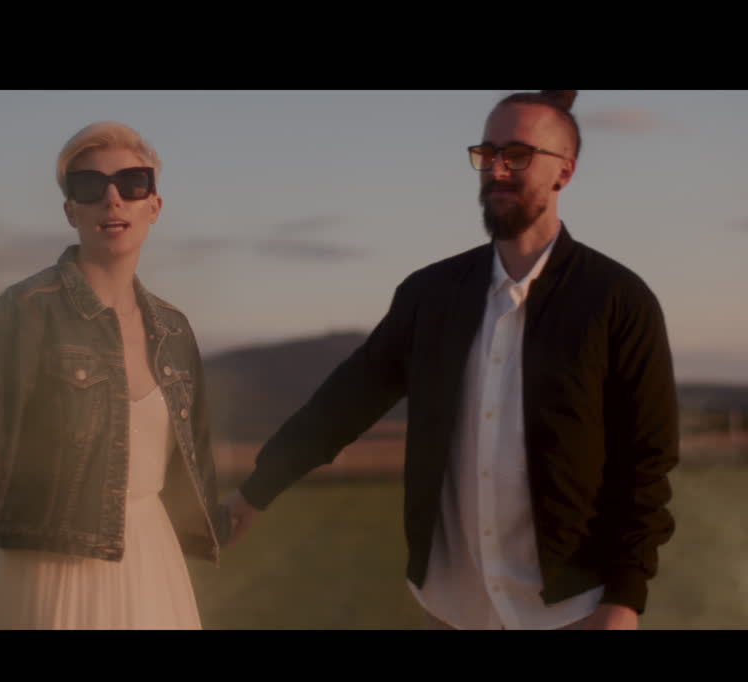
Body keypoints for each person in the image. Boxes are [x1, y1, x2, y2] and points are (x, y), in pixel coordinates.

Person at [224, 90, 678, 630]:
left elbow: (646, 462)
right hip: (453, 605)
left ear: (565, 173)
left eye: (518, 155)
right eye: (487, 154)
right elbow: (343, 404)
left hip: (570, 610)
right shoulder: (429, 295)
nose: (497, 170)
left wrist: (624, 600)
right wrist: (256, 490)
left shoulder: (618, 301)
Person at [0, 121, 228, 630]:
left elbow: (192, 454)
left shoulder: (175, 329)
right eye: (89, 187)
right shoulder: (25, 312)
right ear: (70, 211)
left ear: (153, 206)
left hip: (153, 564)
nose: (112, 199)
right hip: (52, 568)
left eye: (132, 183)